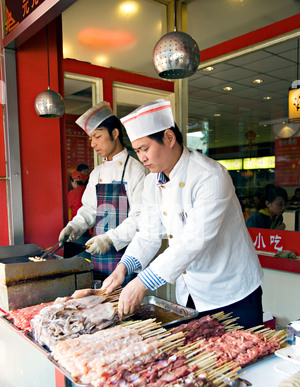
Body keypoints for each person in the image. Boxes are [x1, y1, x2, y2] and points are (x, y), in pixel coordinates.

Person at [102, 99, 264, 329]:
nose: (142, 158)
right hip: (191, 292)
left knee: (243, 356)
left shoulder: (209, 176)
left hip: (232, 291)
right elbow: (147, 235)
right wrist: (123, 268)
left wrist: (142, 283)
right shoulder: (152, 182)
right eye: (137, 151)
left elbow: (194, 240)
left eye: (145, 149)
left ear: (169, 138)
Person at [59, 101, 148, 283]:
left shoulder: (136, 170)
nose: (93, 144)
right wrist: (74, 227)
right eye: (91, 138)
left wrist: (109, 239)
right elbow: (89, 209)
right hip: (99, 256)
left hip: (127, 256)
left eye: (97, 136)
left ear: (115, 133)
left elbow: (140, 218)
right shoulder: (97, 172)